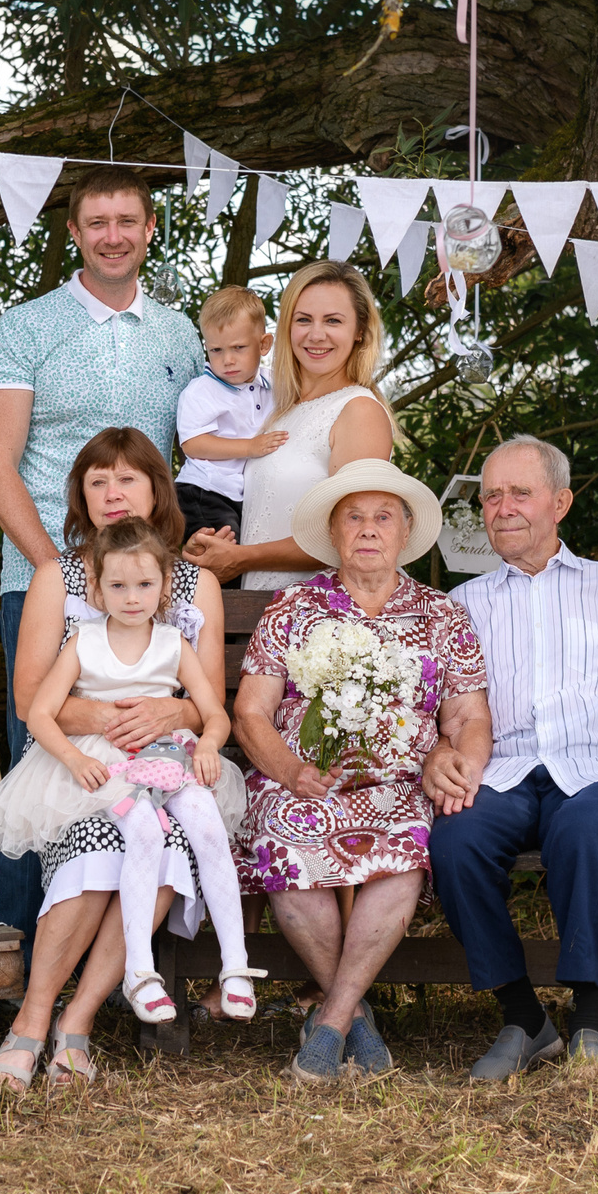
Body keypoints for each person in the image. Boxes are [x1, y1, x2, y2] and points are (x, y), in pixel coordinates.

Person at [0, 172, 205, 939]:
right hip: (44, 581)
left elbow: (198, 453)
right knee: (40, 769)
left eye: (127, 221)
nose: (113, 235)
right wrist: (62, 574)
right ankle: (20, 959)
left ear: (150, 229)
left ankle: (126, 961)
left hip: (147, 592)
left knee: (145, 760)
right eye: (97, 222)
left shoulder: (178, 335)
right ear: (72, 232)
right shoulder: (25, 328)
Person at [233, 459, 491, 1082]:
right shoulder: (294, 607)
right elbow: (251, 713)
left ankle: (330, 1020)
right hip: (303, 781)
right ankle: (353, 1017)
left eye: (383, 517)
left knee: (404, 852)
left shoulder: (440, 614)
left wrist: (459, 764)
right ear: (334, 532)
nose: (368, 529)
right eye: (353, 517)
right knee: (285, 845)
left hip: (399, 783)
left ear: (405, 532)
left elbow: (468, 715)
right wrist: (291, 770)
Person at [0, 433, 229, 1088]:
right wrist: (106, 719)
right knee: (96, 846)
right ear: (81, 497)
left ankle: (78, 1021)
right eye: (97, 481)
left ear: (157, 491)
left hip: (163, 762)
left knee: (166, 849)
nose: (112, 493)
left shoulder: (195, 583)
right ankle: (31, 1021)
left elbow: (206, 701)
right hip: (76, 764)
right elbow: (30, 697)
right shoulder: (58, 577)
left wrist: (170, 715)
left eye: (127, 479)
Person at [427, 435, 598, 1080]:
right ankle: (524, 1019)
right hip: (504, 770)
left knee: (583, 832)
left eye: (520, 493)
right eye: (491, 496)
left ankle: (590, 1021)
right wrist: (444, 753)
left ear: (560, 503)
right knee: (455, 842)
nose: (502, 508)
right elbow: (446, 711)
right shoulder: (465, 603)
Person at [184, 261, 393, 590]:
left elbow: (356, 536)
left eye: (333, 321)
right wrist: (209, 545)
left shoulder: (358, 411)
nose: (316, 334)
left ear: (360, 331)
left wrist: (242, 558)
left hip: (320, 609)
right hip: (257, 606)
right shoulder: (276, 406)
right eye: (303, 319)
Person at [172, 285, 281, 540]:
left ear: (264, 344)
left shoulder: (274, 384)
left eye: (238, 347)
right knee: (223, 549)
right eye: (216, 350)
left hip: (239, 494)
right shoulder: (201, 390)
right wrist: (249, 447)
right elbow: (193, 445)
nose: (227, 360)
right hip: (204, 491)